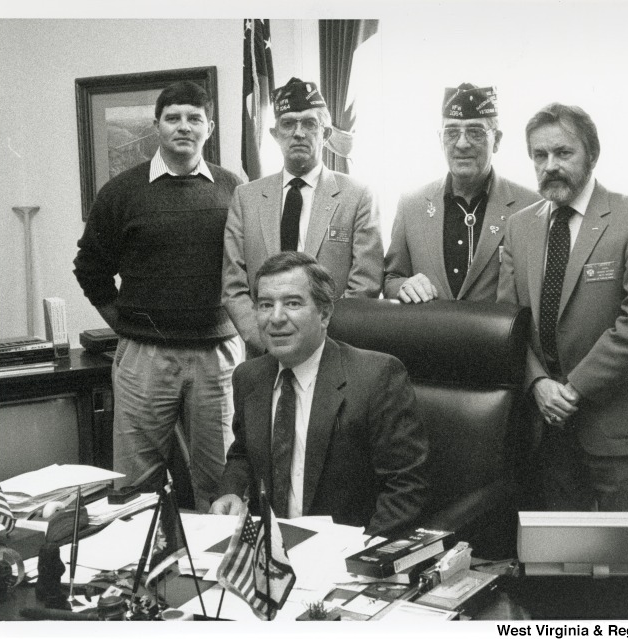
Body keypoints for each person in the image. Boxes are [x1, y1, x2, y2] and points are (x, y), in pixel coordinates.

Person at [73, 81, 243, 511]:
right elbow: (90, 269)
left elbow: (251, 267)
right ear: (157, 127)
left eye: (194, 118)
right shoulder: (121, 192)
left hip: (217, 357)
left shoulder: (233, 188)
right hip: (144, 359)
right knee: (134, 489)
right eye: (173, 118)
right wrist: (127, 325)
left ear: (210, 127)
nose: (183, 127)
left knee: (220, 485)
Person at [497, 103, 628, 512]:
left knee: (626, 564)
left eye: (563, 153)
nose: (550, 165)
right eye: (539, 156)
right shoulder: (520, 226)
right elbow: (507, 324)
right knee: (562, 564)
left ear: (592, 155)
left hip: (619, 428)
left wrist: (573, 390)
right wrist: (538, 384)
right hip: (547, 430)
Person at [210, 252, 428, 537]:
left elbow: (406, 488)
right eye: (265, 305)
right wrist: (232, 492)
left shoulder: (377, 376)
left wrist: (360, 556)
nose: (276, 318)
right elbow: (243, 454)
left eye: (292, 303)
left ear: (324, 314)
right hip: (270, 553)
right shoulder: (248, 377)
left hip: (345, 552)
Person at [222, 77, 383, 356]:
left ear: (326, 133)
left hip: (334, 350)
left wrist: (317, 343)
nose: (298, 133)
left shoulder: (357, 196)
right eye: (288, 123)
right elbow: (234, 285)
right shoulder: (246, 198)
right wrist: (268, 341)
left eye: (309, 123)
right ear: (275, 134)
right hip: (265, 352)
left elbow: (364, 284)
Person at [384, 83, 538, 303]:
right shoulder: (411, 205)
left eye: (475, 132)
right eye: (452, 132)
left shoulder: (531, 206)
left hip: (497, 337)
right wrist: (403, 285)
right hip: (429, 335)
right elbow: (391, 278)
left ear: (497, 140)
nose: (462, 144)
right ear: (440, 139)